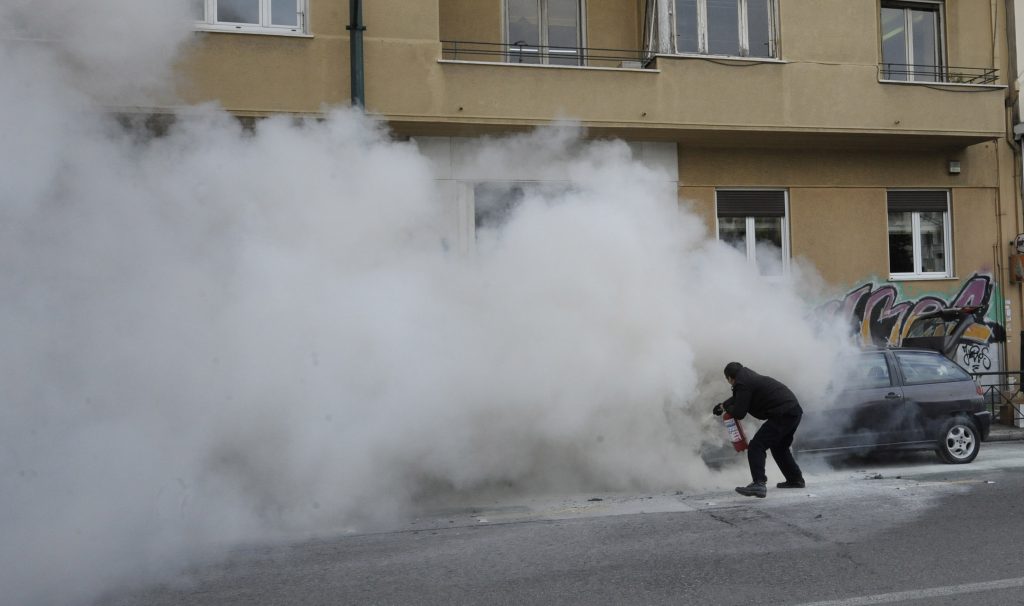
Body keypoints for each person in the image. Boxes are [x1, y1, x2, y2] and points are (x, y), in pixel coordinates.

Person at [712, 362, 805, 498]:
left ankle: (759, 484)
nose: (730, 384)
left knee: (757, 446)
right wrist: (723, 405)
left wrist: (727, 408)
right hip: (793, 411)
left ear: (730, 378)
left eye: (728, 381)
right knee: (779, 447)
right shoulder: (747, 377)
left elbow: (739, 413)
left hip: (782, 413)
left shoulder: (742, 383)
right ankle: (795, 479)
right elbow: (739, 397)